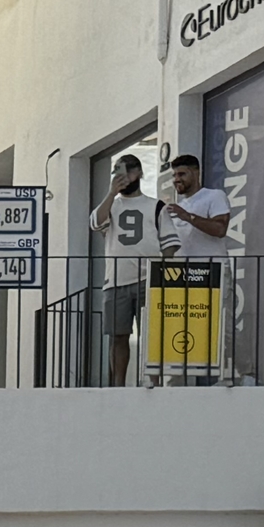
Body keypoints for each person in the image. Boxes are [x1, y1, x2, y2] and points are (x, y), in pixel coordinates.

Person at [90, 154, 153, 386]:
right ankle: (118, 384)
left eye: (124, 173)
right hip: (116, 281)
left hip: (148, 280)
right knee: (118, 336)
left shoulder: (155, 206)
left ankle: (150, 379)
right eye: (116, 173)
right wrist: (110, 193)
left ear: (137, 173)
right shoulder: (112, 206)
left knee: (151, 334)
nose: (121, 179)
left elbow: (170, 244)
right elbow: (96, 223)